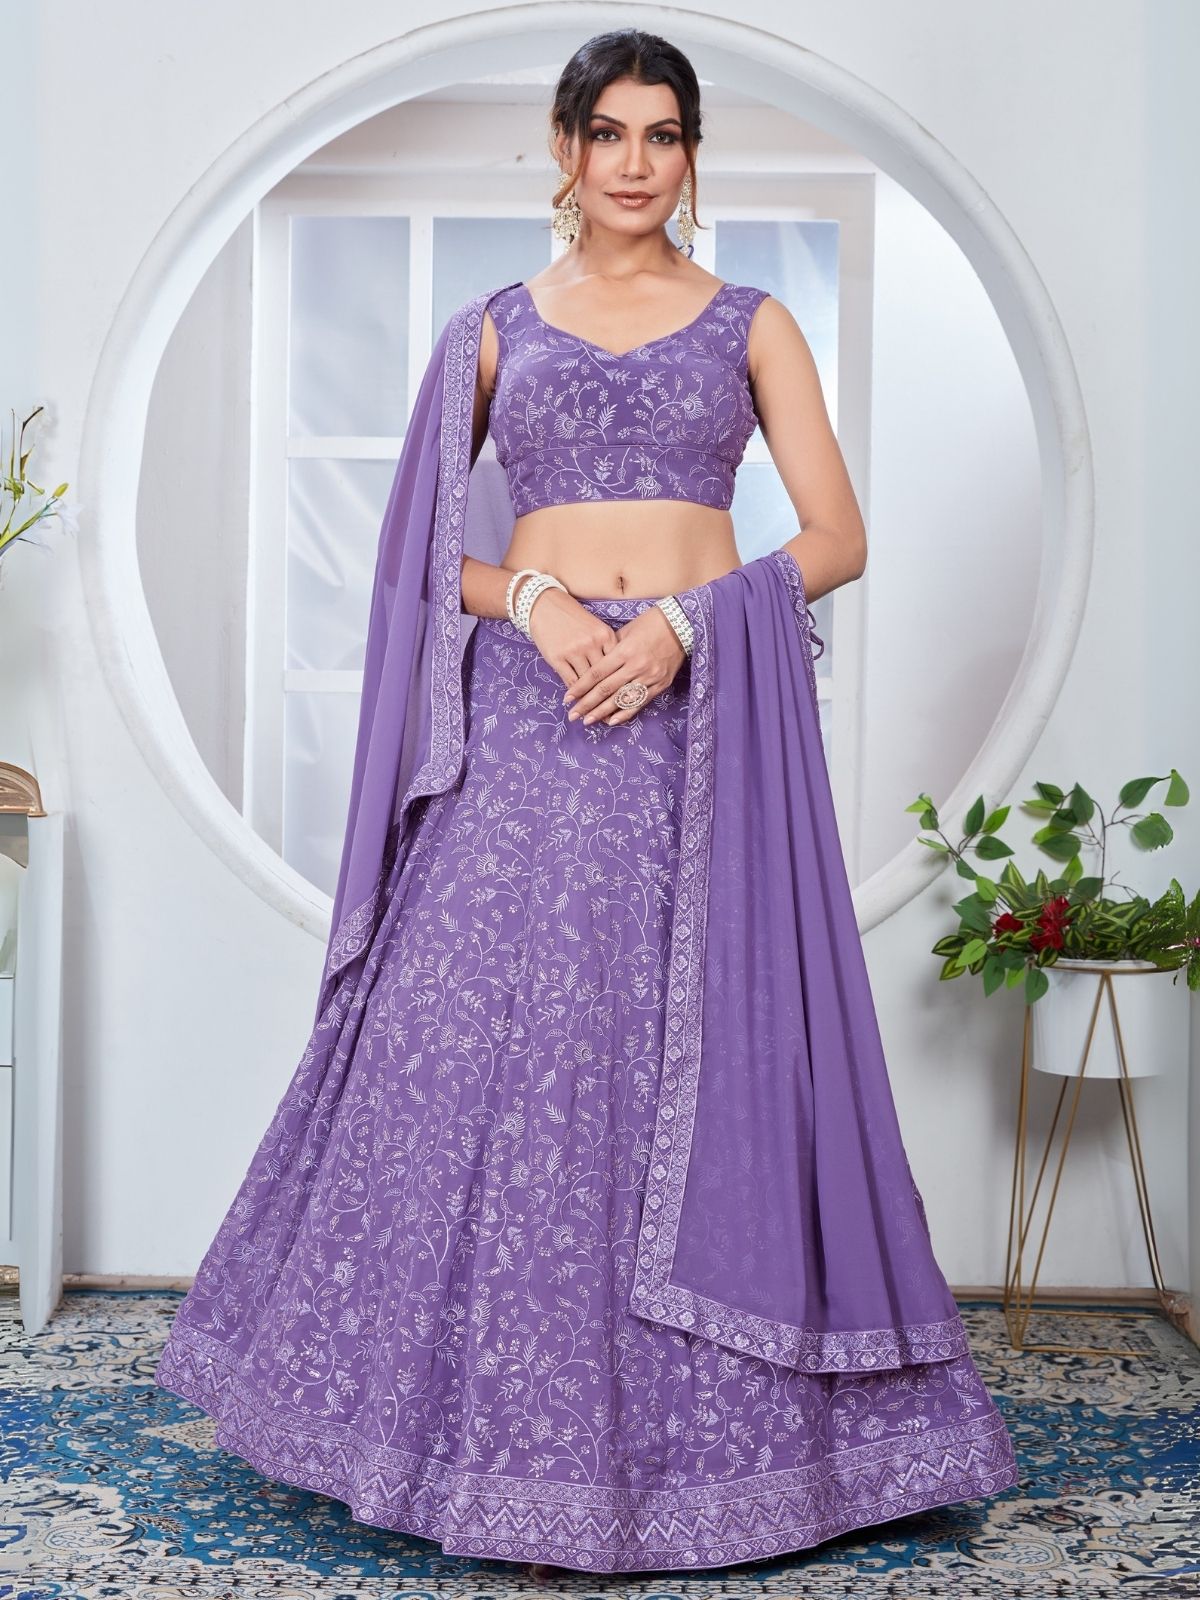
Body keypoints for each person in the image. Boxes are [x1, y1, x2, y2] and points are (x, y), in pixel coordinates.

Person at [155, 28, 1020, 1580]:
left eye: (662, 134)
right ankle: (468, 1435)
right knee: (495, 1040)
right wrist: (541, 598)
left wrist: (688, 623)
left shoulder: (751, 325)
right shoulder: (491, 329)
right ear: (564, 149)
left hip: (699, 726)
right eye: (608, 133)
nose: (635, 162)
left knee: (689, 1035)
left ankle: (735, 1449)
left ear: (691, 154)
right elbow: (419, 557)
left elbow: (835, 535)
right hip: (534, 716)